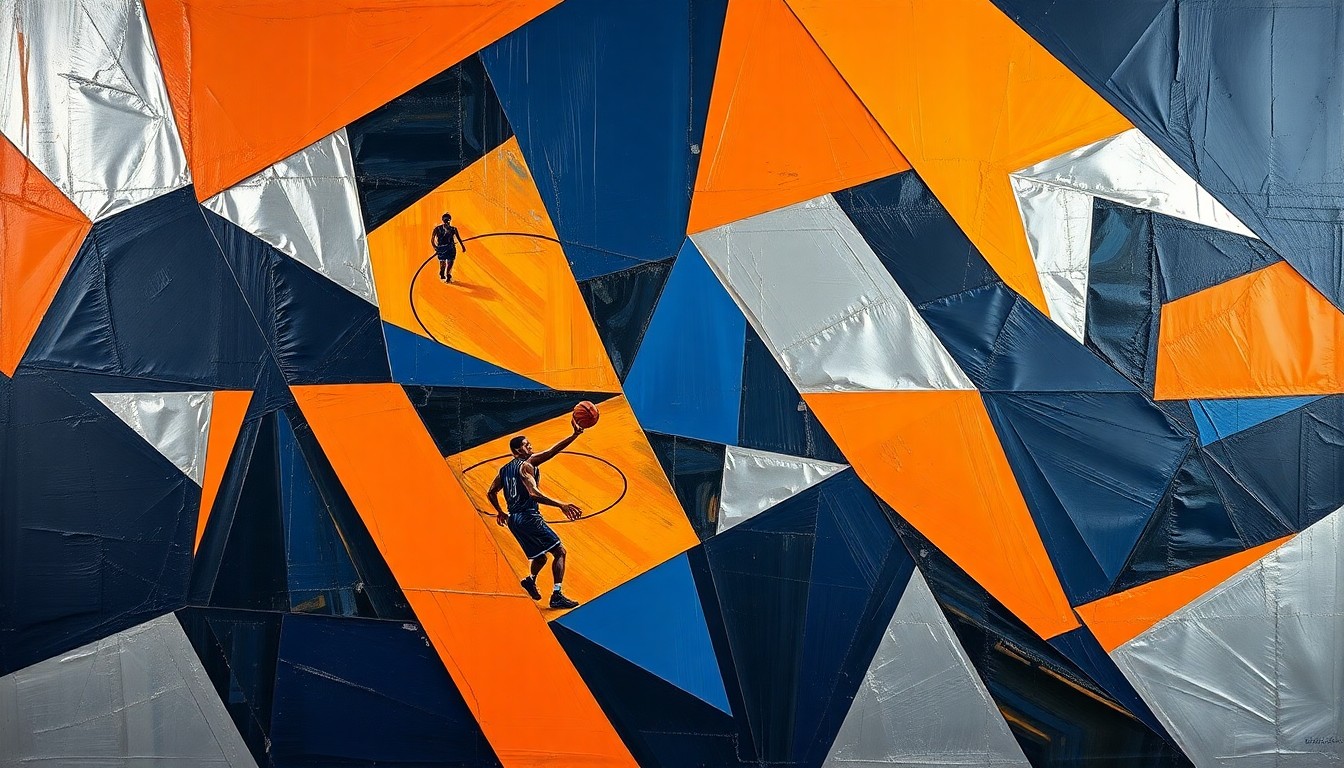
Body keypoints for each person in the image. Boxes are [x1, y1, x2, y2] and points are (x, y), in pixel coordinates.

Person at [487, 420, 586, 608]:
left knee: (540, 556)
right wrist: (561, 504)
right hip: (529, 517)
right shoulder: (525, 465)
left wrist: (500, 511)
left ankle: (530, 580)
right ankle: (557, 595)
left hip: (514, 520)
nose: (530, 447)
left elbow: (491, 492)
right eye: (526, 445)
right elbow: (533, 493)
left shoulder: (505, 469)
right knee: (560, 552)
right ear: (517, 451)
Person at [431, 213, 467, 283]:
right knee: (443, 262)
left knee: (449, 262)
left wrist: (463, 246)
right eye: (446, 220)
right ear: (443, 220)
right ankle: (443, 272)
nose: (447, 221)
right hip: (443, 249)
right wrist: (435, 247)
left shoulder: (453, 229)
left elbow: (458, 238)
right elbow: (432, 239)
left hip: (450, 248)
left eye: (447, 220)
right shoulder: (437, 229)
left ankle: (447, 275)